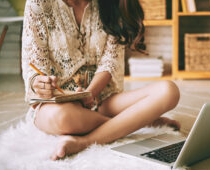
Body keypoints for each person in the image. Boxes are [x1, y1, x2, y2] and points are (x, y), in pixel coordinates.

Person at [22, 0, 180, 161]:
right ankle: (135, 121)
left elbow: (110, 61)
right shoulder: (38, 3)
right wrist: (39, 83)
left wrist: (89, 94)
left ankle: (84, 141)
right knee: (63, 118)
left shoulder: (113, 4)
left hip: (103, 99)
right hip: (58, 104)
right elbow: (34, 63)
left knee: (168, 91)